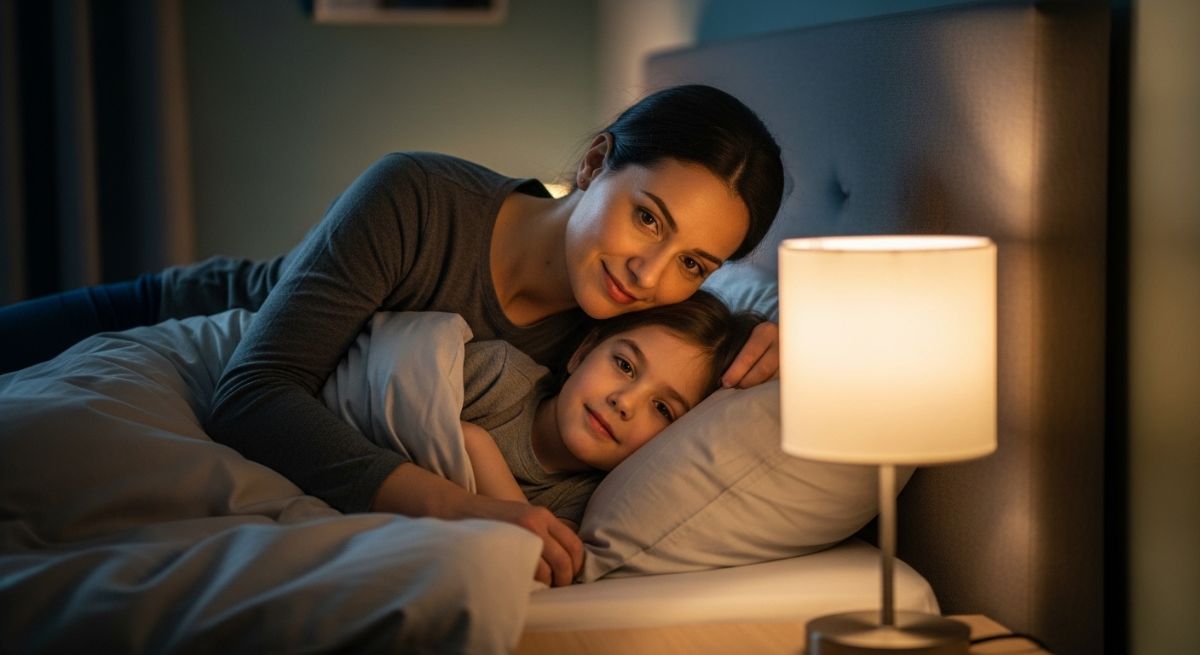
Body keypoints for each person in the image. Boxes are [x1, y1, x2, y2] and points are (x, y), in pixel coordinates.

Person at [0, 84, 785, 586]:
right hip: (182, 316)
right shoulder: (418, 195)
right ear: (593, 163)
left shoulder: (625, 334)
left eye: (693, 262)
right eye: (647, 217)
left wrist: (795, 339)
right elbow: (252, 393)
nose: (649, 274)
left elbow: (720, 329)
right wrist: (455, 508)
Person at [454, 291, 759, 585]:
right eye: (625, 366)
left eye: (662, 408)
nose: (624, 401)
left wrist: (475, 445)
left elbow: (546, 561)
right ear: (583, 352)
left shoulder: (590, 502)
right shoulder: (495, 374)